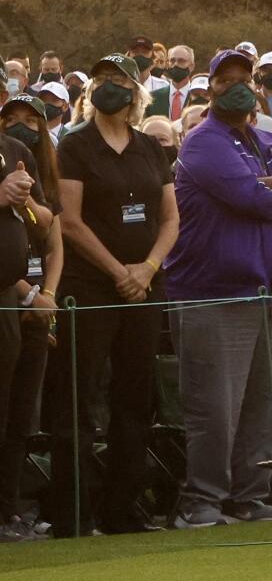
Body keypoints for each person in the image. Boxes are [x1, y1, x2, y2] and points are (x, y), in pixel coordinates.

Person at [163, 48, 272, 528]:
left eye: (244, 78)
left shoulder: (266, 139)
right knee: (216, 407)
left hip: (268, 291)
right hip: (215, 291)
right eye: (225, 78)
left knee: (262, 407)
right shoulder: (201, 140)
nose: (236, 85)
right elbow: (246, 195)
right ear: (209, 87)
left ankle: (251, 495)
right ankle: (203, 501)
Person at [38, 54, 177, 537]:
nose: (110, 88)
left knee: (134, 401)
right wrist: (120, 272)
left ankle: (125, 508)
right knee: (77, 399)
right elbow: (70, 221)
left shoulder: (148, 147)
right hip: (91, 288)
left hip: (144, 287)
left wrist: (148, 269)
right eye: (102, 81)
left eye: (119, 81)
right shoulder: (75, 146)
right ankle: (72, 513)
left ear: (137, 92)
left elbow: (170, 217)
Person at [0, 94, 58, 540]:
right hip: (13, 293)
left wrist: (23, 201)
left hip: (9, 296)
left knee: (16, 414)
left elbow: (43, 219)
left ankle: (8, 512)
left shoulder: (15, 152)